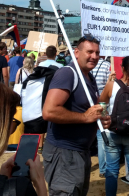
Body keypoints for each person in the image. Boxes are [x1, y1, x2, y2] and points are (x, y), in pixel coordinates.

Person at [42, 35, 111, 196]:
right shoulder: (67, 73)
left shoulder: (89, 77)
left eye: (97, 52)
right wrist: (85, 117)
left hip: (81, 152)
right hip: (64, 153)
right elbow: (49, 111)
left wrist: (101, 120)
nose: (94, 56)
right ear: (77, 53)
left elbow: (88, 110)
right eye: (89, 52)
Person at [100, 56, 129, 196]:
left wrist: (106, 117)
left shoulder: (111, 85)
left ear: (123, 68)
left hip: (113, 131)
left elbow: (101, 104)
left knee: (112, 170)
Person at [91, 55, 112, 178]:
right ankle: (103, 168)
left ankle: (102, 167)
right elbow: (109, 87)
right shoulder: (107, 66)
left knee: (97, 135)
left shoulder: (86, 66)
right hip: (103, 104)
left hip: (90, 102)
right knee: (102, 134)